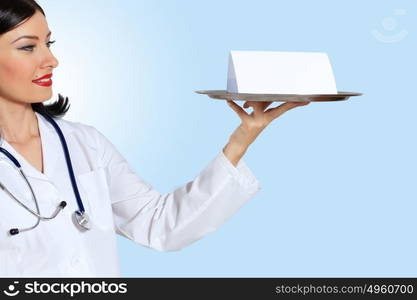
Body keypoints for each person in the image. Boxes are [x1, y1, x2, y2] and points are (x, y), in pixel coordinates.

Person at [0, 0, 309, 277]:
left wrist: (243, 137)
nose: (51, 60)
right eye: (28, 47)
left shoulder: (85, 144)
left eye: (49, 43)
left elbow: (160, 226)